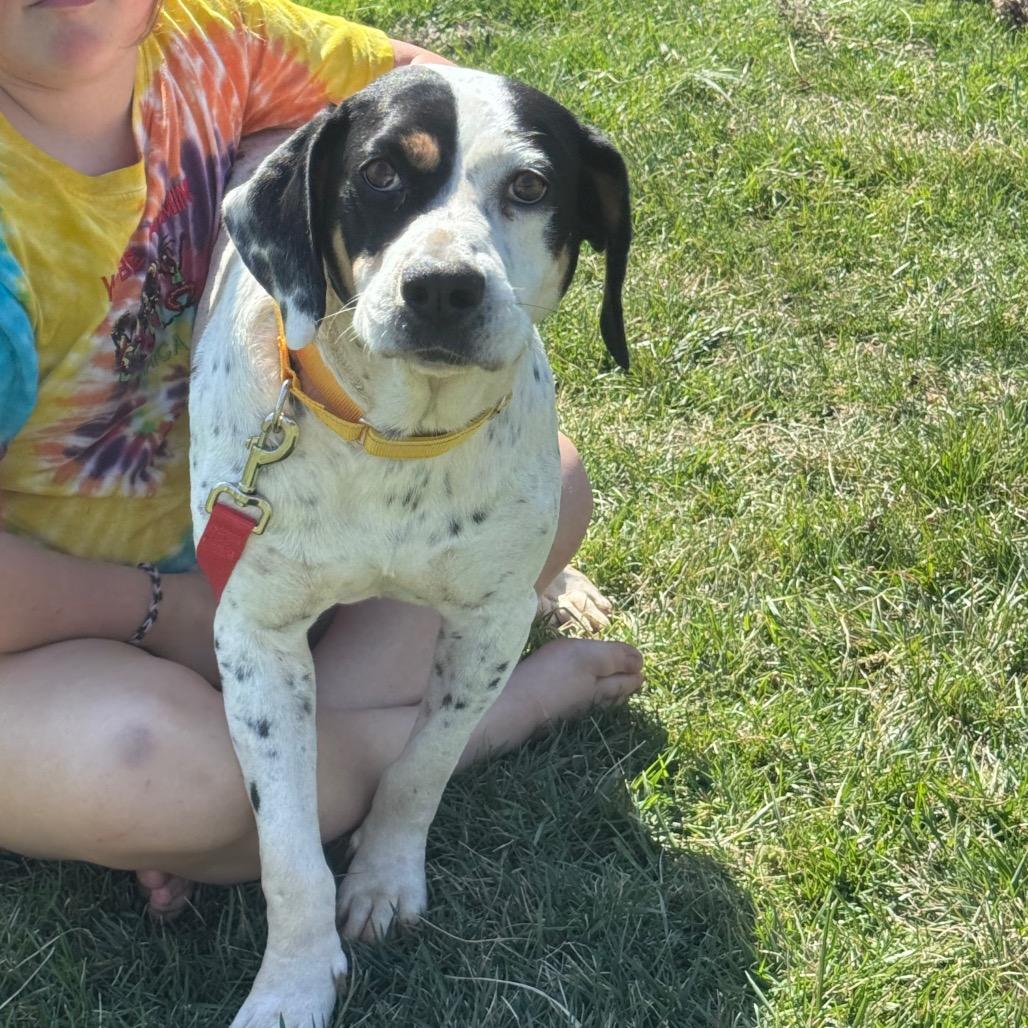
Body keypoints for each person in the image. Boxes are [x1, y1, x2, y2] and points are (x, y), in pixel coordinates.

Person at [0, 0, 644, 922]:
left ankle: (290, 771)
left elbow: (443, 106)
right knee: (166, 774)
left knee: (560, 484)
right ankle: (479, 724)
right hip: (49, 633)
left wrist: (305, 157)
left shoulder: (216, 37)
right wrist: (164, 614)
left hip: (248, 547)